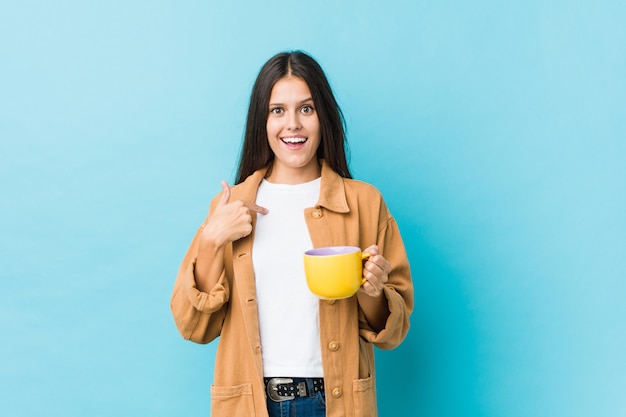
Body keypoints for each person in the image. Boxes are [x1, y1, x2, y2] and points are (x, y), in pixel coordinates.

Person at [170, 51, 413, 417]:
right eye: (277, 110)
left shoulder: (364, 202)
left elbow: (393, 332)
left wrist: (373, 292)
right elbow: (194, 326)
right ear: (262, 121)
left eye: (307, 109)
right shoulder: (231, 206)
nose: (293, 125)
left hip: (335, 402)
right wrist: (210, 241)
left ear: (323, 116)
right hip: (251, 404)